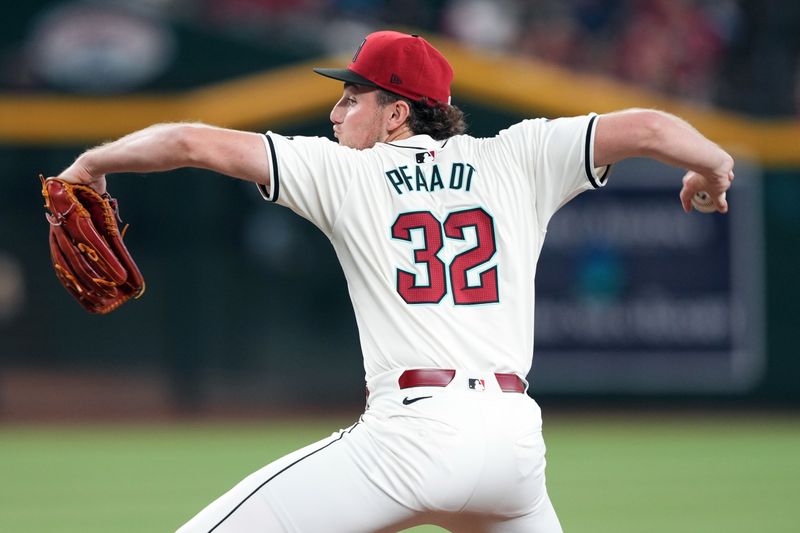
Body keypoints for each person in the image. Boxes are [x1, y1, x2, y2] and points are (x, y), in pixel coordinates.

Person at [57, 30, 733, 533]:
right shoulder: (521, 154)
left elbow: (188, 142)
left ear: (397, 113)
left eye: (352, 98)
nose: (334, 113)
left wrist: (91, 161)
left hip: (412, 438)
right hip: (513, 447)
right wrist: (711, 165)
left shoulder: (343, 171)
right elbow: (647, 125)